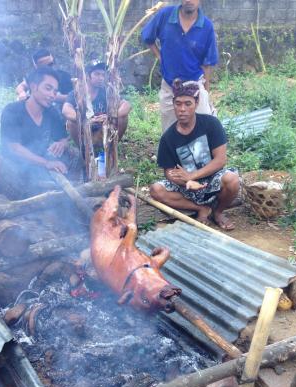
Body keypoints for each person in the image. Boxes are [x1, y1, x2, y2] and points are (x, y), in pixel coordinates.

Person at [150, 80, 239, 230]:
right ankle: (201, 209)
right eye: (178, 104)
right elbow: (168, 172)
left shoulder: (211, 124)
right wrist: (186, 182)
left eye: (187, 104)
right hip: (188, 187)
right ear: (173, 105)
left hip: (212, 180)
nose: (182, 109)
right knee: (156, 190)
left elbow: (220, 159)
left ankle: (218, 212)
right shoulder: (168, 137)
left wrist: (193, 175)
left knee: (232, 180)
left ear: (196, 104)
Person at [0, 66, 77, 200]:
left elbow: (64, 138)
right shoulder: (12, 111)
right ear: (34, 87)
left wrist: (61, 143)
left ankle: (67, 194)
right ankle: (8, 197)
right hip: (15, 167)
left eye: (55, 91)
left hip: (38, 167)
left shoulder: (51, 112)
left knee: (74, 154)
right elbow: (14, 148)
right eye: (48, 88)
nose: (52, 95)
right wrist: (46, 163)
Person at [141, 0, 218, 132]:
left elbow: (207, 64)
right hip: (170, 86)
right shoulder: (165, 15)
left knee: (203, 129)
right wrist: (160, 57)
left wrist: (205, 94)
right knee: (170, 132)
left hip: (195, 86)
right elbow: (148, 37)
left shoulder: (206, 26)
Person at [62, 59, 131, 151]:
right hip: (85, 130)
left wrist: (110, 117)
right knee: (71, 123)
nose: (101, 78)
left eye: (103, 75)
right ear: (87, 76)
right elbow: (66, 109)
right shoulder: (77, 93)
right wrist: (85, 120)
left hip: (103, 129)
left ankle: (110, 147)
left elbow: (126, 105)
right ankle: (83, 149)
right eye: (97, 74)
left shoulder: (106, 92)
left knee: (123, 118)